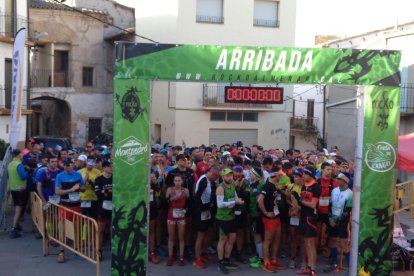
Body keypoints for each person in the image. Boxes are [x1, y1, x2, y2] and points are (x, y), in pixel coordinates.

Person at [55, 158, 85, 263]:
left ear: (73, 165)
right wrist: (71, 190)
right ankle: (61, 252)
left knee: (77, 228)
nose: (68, 167)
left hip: (77, 205)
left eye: (69, 165)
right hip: (65, 206)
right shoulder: (60, 176)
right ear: (63, 166)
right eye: (66, 165)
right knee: (63, 229)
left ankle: (76, 249)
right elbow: (57, 191)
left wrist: (80, 188)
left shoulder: (78, 175)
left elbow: (83, 187)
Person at [257, 166, 286, 273]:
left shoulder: (275, 185)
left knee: (277, 238)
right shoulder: (268, 185)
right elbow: (260, 200)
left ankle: (273, 259)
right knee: (268, 241)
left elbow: (275, 199)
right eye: (280, 175)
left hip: (276, 216)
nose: (281, 176)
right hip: (269, 218)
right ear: (277, 175)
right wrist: (265, 213)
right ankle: (266, 263)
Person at [216, 168, 244, 274]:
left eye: (231, 175)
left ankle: (227, 260)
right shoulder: (220, 187)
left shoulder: (232, 184)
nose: (230, 177)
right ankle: (220, 262)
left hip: (232, 216)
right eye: (227, 176)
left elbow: (235, 196)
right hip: (223, 217)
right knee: (222, 239)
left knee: (232, 239)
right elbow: (220, 204)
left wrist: (238, 200)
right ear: (223, 177)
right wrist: (235, 201)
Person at [293, 166, 320, 275]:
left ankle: (313, 269)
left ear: (310, 175)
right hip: (303, 217)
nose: (303, 176)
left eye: (305, 174)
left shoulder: (316, 187)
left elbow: (313, 205)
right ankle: (309, 267)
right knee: (306, 243)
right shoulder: (304, 186)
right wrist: (296, 207)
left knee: (311, 244)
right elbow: (303, 203)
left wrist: (300, 200)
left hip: (311, 218)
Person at [324, 173, 353, 273]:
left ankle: (351, 267)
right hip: (332, 220)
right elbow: (330, 205)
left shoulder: (350, 193)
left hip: (342, 222)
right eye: (337, 179)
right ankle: (334, 263)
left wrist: (335, 220)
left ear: (345, 181)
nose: (337, 180)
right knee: (332, 242)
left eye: (340, 179)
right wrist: (330, 218)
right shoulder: (334, 190)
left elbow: (347, 210)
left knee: (343, 244)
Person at [193, 166, 221, 269]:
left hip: (208, 210)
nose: (215, 178)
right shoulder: (204, 180)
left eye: (216, 177)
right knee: (201, 235)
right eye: (214, 176)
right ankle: (197, 258)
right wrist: (204, 207)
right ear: (210, 173)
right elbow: (197, 196)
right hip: (201, 211)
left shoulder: (210, 181)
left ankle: (204, 253)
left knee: (209, 232)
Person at [165, 175, 189, 266]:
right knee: (171, 237)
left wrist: (186, 210)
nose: (177, 182)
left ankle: (181, 257)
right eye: (176, 180)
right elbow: (166, 200)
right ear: (173, 181)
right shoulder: (170, 190)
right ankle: (170, 257)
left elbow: (189, 201)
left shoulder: (185, 190)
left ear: (182, 181)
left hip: (181, 214)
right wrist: (171, 198)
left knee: (181, 237)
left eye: (179, 180)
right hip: (171, 214)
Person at [93, 160, 113, 260]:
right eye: (109, 166)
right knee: (100, 230)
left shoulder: (115, 178)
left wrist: (105, 191)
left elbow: (117, 192)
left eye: (112, 166)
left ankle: (115, 249)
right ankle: (98, 251)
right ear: (104, 168)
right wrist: (109, 191)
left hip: (113, 207)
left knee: (113, 229)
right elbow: (98, 194)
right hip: (102, 207)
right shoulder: (99, 179)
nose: (111, 168)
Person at [247, 167, 265, 269]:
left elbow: (260, 200)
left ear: (256, 175)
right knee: (254, 234)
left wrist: (259, 211)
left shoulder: (260, 185)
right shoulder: (252, 184)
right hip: (253, 213)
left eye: (251, 173)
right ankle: (258, 255)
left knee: (258, 235)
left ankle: (261, 259)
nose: (249, 174)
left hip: (257, 214)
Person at [7, 149, 27, 238]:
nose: (23, 155)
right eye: (22, 154)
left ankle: (17, 226)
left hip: (13, 189)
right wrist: (29, 171)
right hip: (20, 190)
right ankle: (13, 228)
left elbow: (8, 176)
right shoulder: (19, 165)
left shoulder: (10, 164)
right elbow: (23, 176)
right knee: (18, 210)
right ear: (18, 155)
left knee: (17, 208)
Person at [149, 169, 161, 264]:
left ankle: (152, 252)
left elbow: (158, 189)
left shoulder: (151, 174)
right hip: (138, 206)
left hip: (151, 206)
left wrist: (155, 182)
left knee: (152, 229)